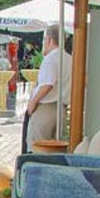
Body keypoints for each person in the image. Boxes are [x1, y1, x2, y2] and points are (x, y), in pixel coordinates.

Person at [25, 24, 72, 153]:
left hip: (46, 106)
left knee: (38, 147)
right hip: (61, 108)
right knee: (58, 149)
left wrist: (33, 102)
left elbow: (47, 84)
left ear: (49, 40)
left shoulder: (50, 58)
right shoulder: (70, 59)